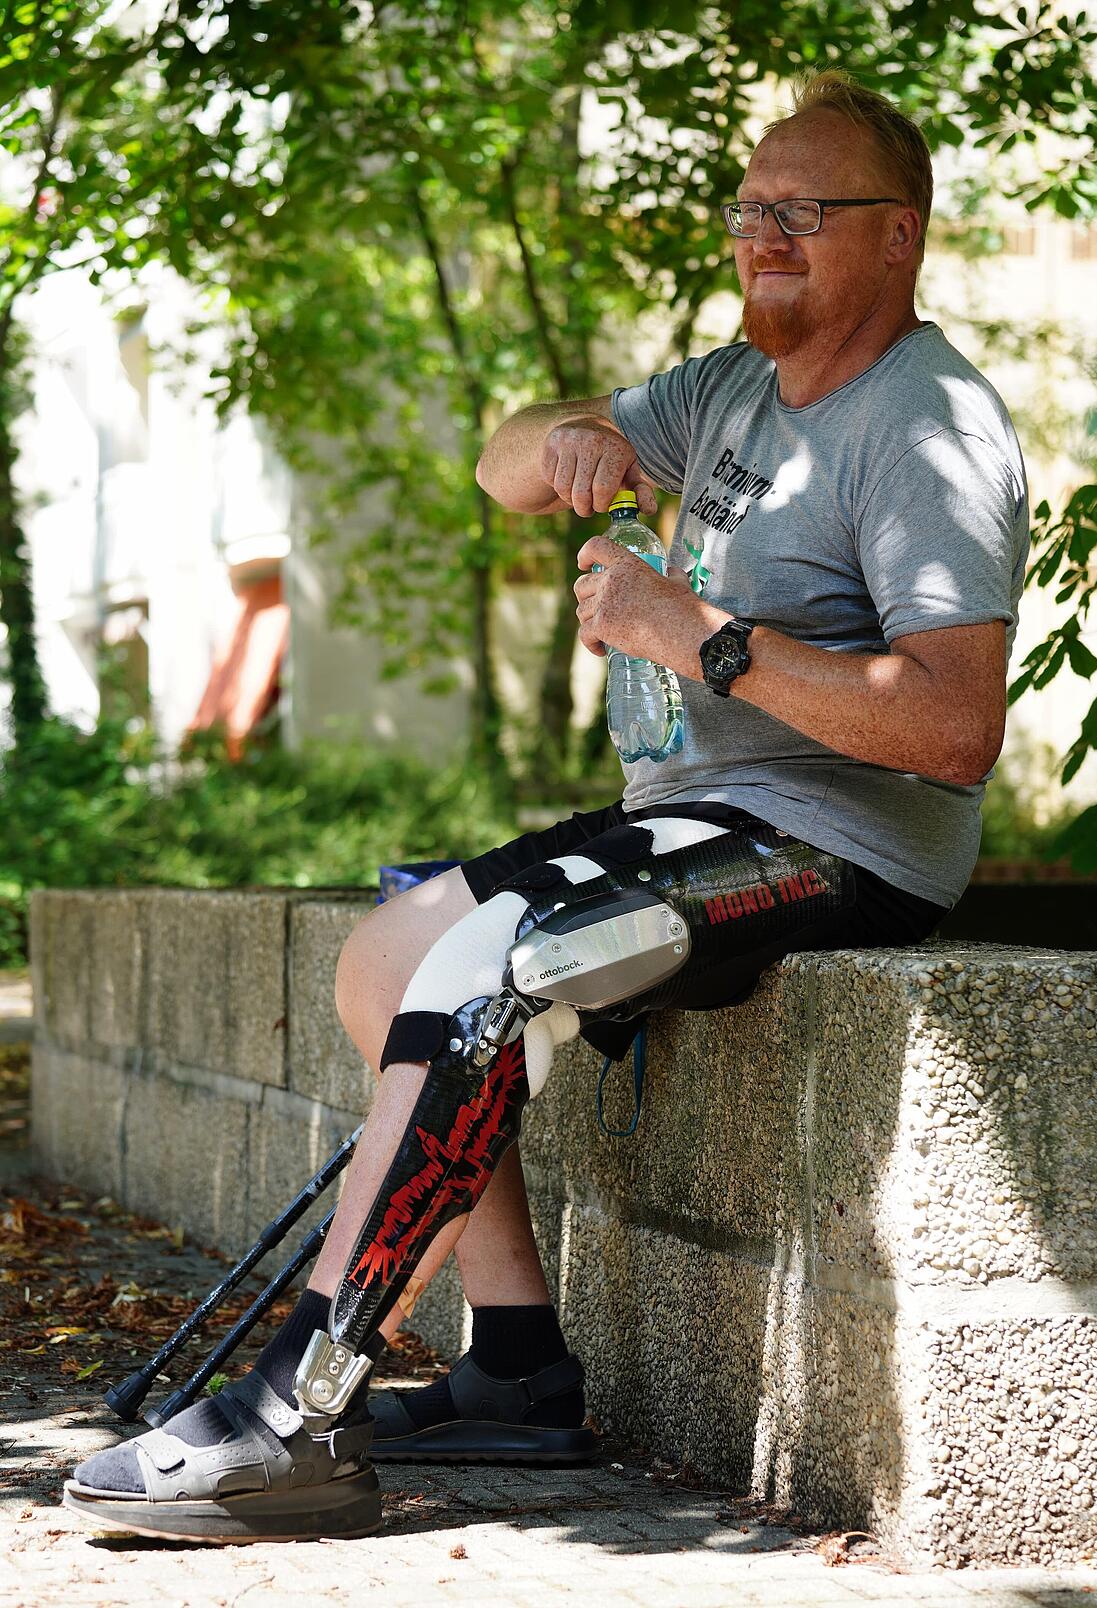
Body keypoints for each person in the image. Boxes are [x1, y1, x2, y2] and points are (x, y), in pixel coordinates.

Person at [63, 68, 1029, 1543]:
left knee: (495, 964)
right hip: (694, 820)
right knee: (391, 953)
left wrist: (695, 636)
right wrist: (567, 436)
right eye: (751, 208)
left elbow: (957, 731)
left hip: (840, 843)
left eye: (805, 211)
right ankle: (514, 1365)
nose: (765, 234)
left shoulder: (930, 424)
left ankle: (292, 1408)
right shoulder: (724, 393)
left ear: (896, 236)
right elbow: (502, 461)